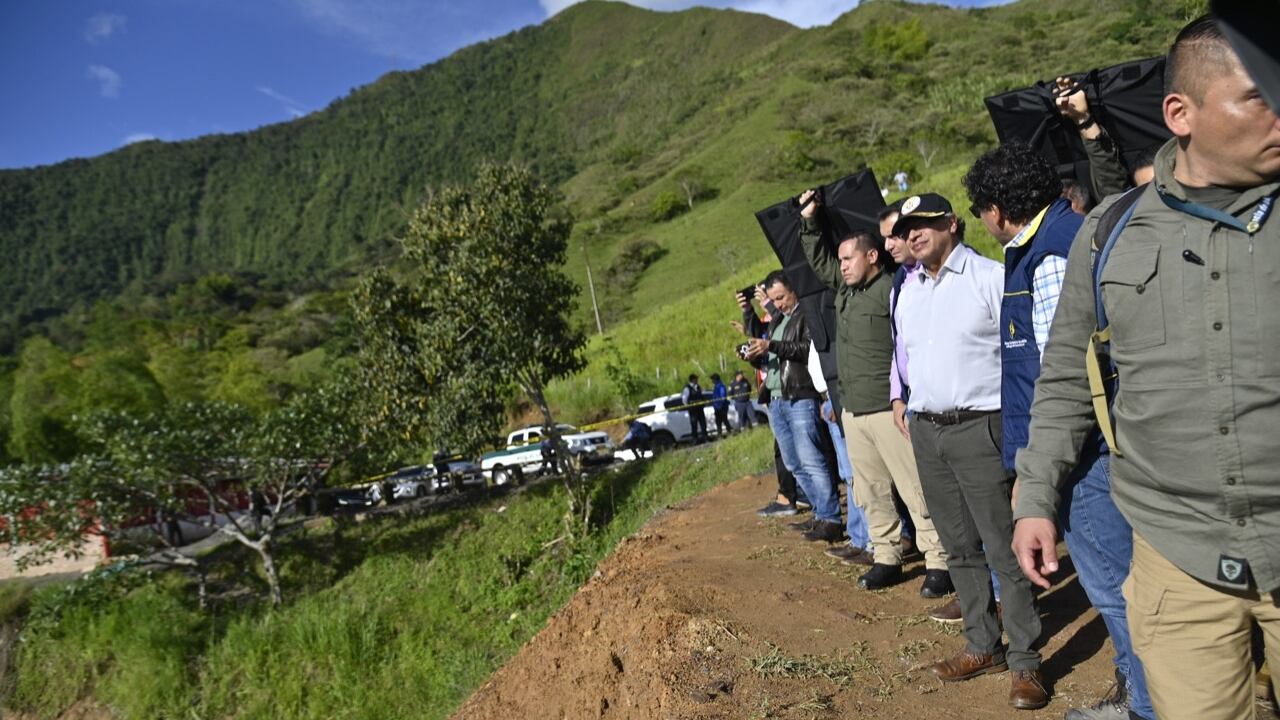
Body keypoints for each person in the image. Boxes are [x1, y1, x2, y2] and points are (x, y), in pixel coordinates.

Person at [1014, 15, 1280, 720]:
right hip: (1175, 556)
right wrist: (1036, 498)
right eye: (1261, 97)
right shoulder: (1108, 233)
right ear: (1180, 114)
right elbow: (1065, 378)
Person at [964, 142, 1153, 720]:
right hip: (1089, 445)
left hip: (1083, 453)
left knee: (1115, 587)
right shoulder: (1062, 236)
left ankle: (1146, 701)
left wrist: (1040, 468)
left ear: (997, 209)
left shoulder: (1050, 255)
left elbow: (1064, 372)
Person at [893, 193, 1047, 710]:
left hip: (981, 427)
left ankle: (1025, 660)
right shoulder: (909, 292)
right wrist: (906, 403)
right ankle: (983, 645)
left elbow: (1021, 358)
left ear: (952, 224)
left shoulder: (989, 278)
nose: (914, 234)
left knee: (1003, 548)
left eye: (924, 224)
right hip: (928, 431)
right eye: (906, 229)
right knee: (957, 547)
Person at [797, 192, 951, 597]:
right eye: (841, 260)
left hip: (889, 409)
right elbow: (819, 261)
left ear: (872, 257)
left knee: (915, 488)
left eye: (849, 259)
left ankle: (939, 559)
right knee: (871, 492)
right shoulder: (844, 291)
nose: (842, 266)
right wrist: (810, 220)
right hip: (854, 412)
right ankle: (886, 556)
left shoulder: (892, 288)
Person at [741, 271, 845, 543]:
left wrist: (771, 345)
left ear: (793, 290)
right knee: (794, 463)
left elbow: (806, 349)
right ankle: (820, 512)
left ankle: (831, 518)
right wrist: (757, 353)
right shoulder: (778, 319)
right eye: (774, 299)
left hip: (800, 395)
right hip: (776, 398)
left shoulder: (805, 315)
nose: (778, 303)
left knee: (812, 460)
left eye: (781, 297)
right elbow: (773, 353)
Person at [681, 373, 708, 443]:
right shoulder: (687, 388)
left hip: (700, 409)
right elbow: (684, 400)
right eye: (696, 379)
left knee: (703, 424)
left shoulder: (698, 387)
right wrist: (689, 406)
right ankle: (695, 440)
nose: (697, 380)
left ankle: (705, 438)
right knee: (694, 425)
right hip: (693, 410)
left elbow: (701, 396)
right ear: (692, 380)